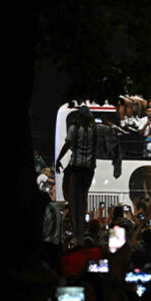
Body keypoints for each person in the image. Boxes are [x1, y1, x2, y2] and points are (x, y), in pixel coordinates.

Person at [55, 105, 98, 245]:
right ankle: (83, 215)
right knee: (84, 194)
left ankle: (72, 213)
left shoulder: (74, 128)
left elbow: (67, 145)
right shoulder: (95, 129)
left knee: (70, 190)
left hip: (76, 168)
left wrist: (59, 159)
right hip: (89, 168)